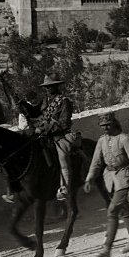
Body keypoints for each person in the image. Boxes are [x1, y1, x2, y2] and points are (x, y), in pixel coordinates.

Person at [84, 112, 129, 257]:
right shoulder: (101, 141)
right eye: (103, 126)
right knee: (124, 210)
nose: (105, 128)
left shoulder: (124, 138)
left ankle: (107, 248)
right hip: (109, 179)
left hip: (124, 177)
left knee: (112, 210)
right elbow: (96, 162)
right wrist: (89, 179)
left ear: (114, 123)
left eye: (108, 125)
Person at [17, 73, 78, 202]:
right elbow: (36, 112)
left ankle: (64, 187)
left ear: (57, 86)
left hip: (59, 135)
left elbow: (64, 123)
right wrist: (23, 105)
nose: (47, 88)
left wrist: (46, 130)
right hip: (44, 134)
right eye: (46, 87)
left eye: (50, 86)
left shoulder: (64, 101)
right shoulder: (46, 100)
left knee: (63, 157)